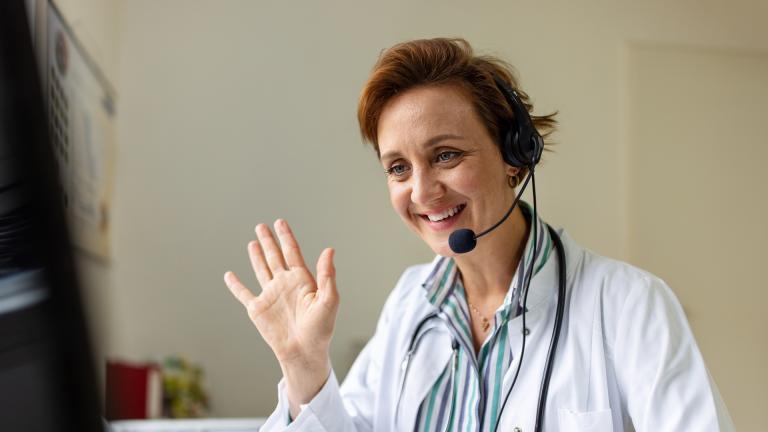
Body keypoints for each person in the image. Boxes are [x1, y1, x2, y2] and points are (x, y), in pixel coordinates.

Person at [223, 38, 734, 431]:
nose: (422, 192)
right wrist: (304, 367)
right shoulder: (411, 303)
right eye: (398, 168)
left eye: (445, 155)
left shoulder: (629, 305)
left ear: (515, 156)